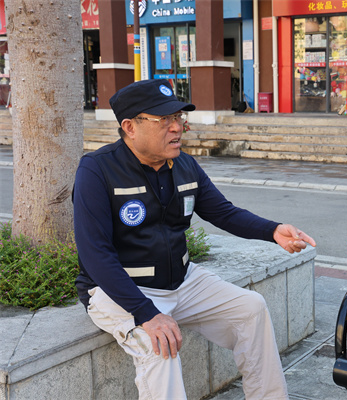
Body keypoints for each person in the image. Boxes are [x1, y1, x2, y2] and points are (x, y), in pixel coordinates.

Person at [72, 79, 316, 400]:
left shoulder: (185, 164)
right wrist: (146, 313)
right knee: (160, 347)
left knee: (251, 309)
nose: (177, 128)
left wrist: (272, 230)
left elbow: (223, 212)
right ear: (130, 127)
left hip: (182, 281)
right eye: (164, 120)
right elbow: (95, 254)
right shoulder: (97, 170)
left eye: (178, 117)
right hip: (120, 289)